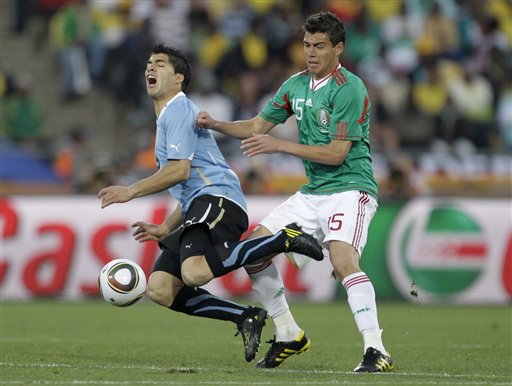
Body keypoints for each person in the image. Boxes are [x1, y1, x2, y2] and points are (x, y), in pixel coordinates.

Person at [97, 43, 323, 363]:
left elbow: (179, 171)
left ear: (178, 79)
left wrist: (129, 192)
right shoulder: (166, 118)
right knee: (160, 288)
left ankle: (283, 238)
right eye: (149, 63)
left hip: (219, 200)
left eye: (160, 64)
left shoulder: (177, 109)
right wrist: (165, 227)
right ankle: (245, 317)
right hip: (201, 204)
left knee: (194, 274)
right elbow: (188, 187)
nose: (150, 68)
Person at [196, 11, 393, 372]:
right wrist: (217, 124)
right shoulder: (295, 86)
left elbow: (337, 154)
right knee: (253, 249)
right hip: (313, 192)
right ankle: (288, 332)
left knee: (342, 260)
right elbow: (257, 125)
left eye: (320, 45)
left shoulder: (350, 87)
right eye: (306, 45)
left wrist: (281, 146)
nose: (311, 52)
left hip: (350, 188)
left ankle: (375, 349)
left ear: (339, 49)